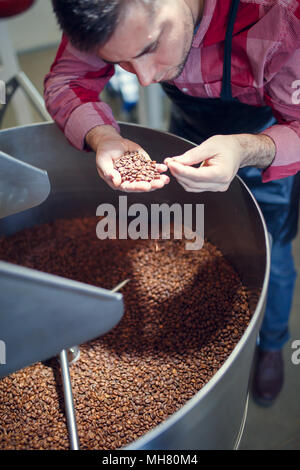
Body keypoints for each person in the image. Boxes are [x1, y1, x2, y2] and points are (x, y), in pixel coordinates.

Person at [44, 0, 300, 406]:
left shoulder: (281, 16)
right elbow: (66, 79)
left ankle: (271, 343)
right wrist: (104, 137)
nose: (145, 79)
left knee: (273, 253)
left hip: (264, 139)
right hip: (191, 128)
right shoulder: (101, 9)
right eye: (123, 62)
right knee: (187, 232)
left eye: (148, 48)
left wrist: (247, 150)